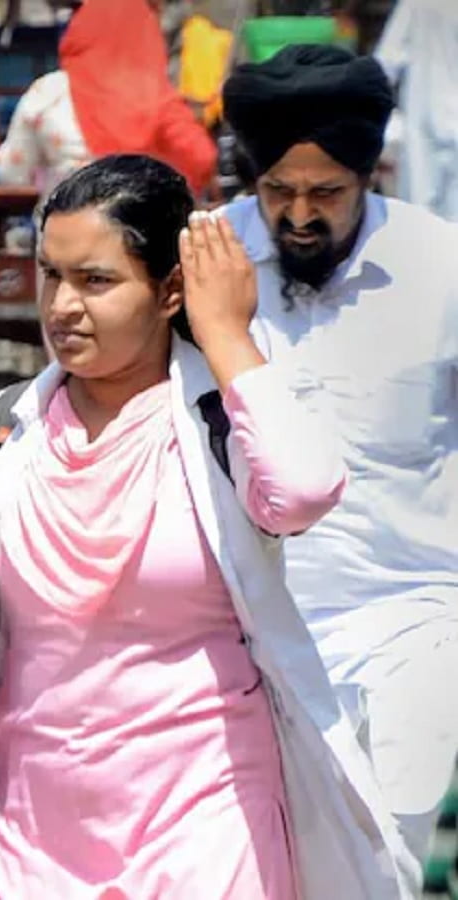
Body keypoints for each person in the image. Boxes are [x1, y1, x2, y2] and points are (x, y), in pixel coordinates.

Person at [0, 154, 413, 900]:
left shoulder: (220, 421)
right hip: (37, 842)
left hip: (211, 827)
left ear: (170, 290)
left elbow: (305, 490)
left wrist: (226, 335)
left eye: (96, 280)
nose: (62, 306)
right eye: (52, 275)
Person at [221, 44, 458, 870]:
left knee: (390, 857)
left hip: (415, 619)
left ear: (369, 176)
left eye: (325, 193)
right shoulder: (209, 260)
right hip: (253, 630)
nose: (298, 215)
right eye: (277, 191)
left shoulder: (440, 266)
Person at [0, 0, 216, 197]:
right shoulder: (156, 97)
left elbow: (11, 173)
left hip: (63, 224)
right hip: (138, 224)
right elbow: (202, 158)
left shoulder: (48, 93)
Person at [374, 0, 458, 221]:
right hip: (433, 123)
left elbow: (386, 64)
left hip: (425, 122)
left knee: (420, 215)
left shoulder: (416, 4)